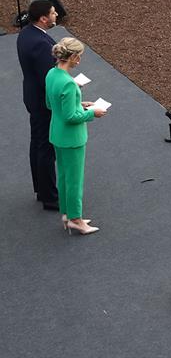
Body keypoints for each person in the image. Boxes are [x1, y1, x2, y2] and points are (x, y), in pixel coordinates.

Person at [46, 38, 107, 235]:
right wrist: (92, 113)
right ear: (72, 57)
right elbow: (71, 117)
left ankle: (67, 214)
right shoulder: (69, 84)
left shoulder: (51, 74)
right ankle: (76, 220)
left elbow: (51, 104)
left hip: (57, 134)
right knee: (74, 180)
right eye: (78, 56)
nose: (79, 59)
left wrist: (78, 104)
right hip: (72, 138)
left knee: (63, 177)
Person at [17, 0, 60, 211]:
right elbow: (50, 80)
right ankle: (50, 196)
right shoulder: (42, 44)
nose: (56, 15)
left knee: (37, 143)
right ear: (43, 19)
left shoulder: (26, 33)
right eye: (53, 13)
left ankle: (41, 189)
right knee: (46, 148)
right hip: (43, 102)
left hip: (32, 96)